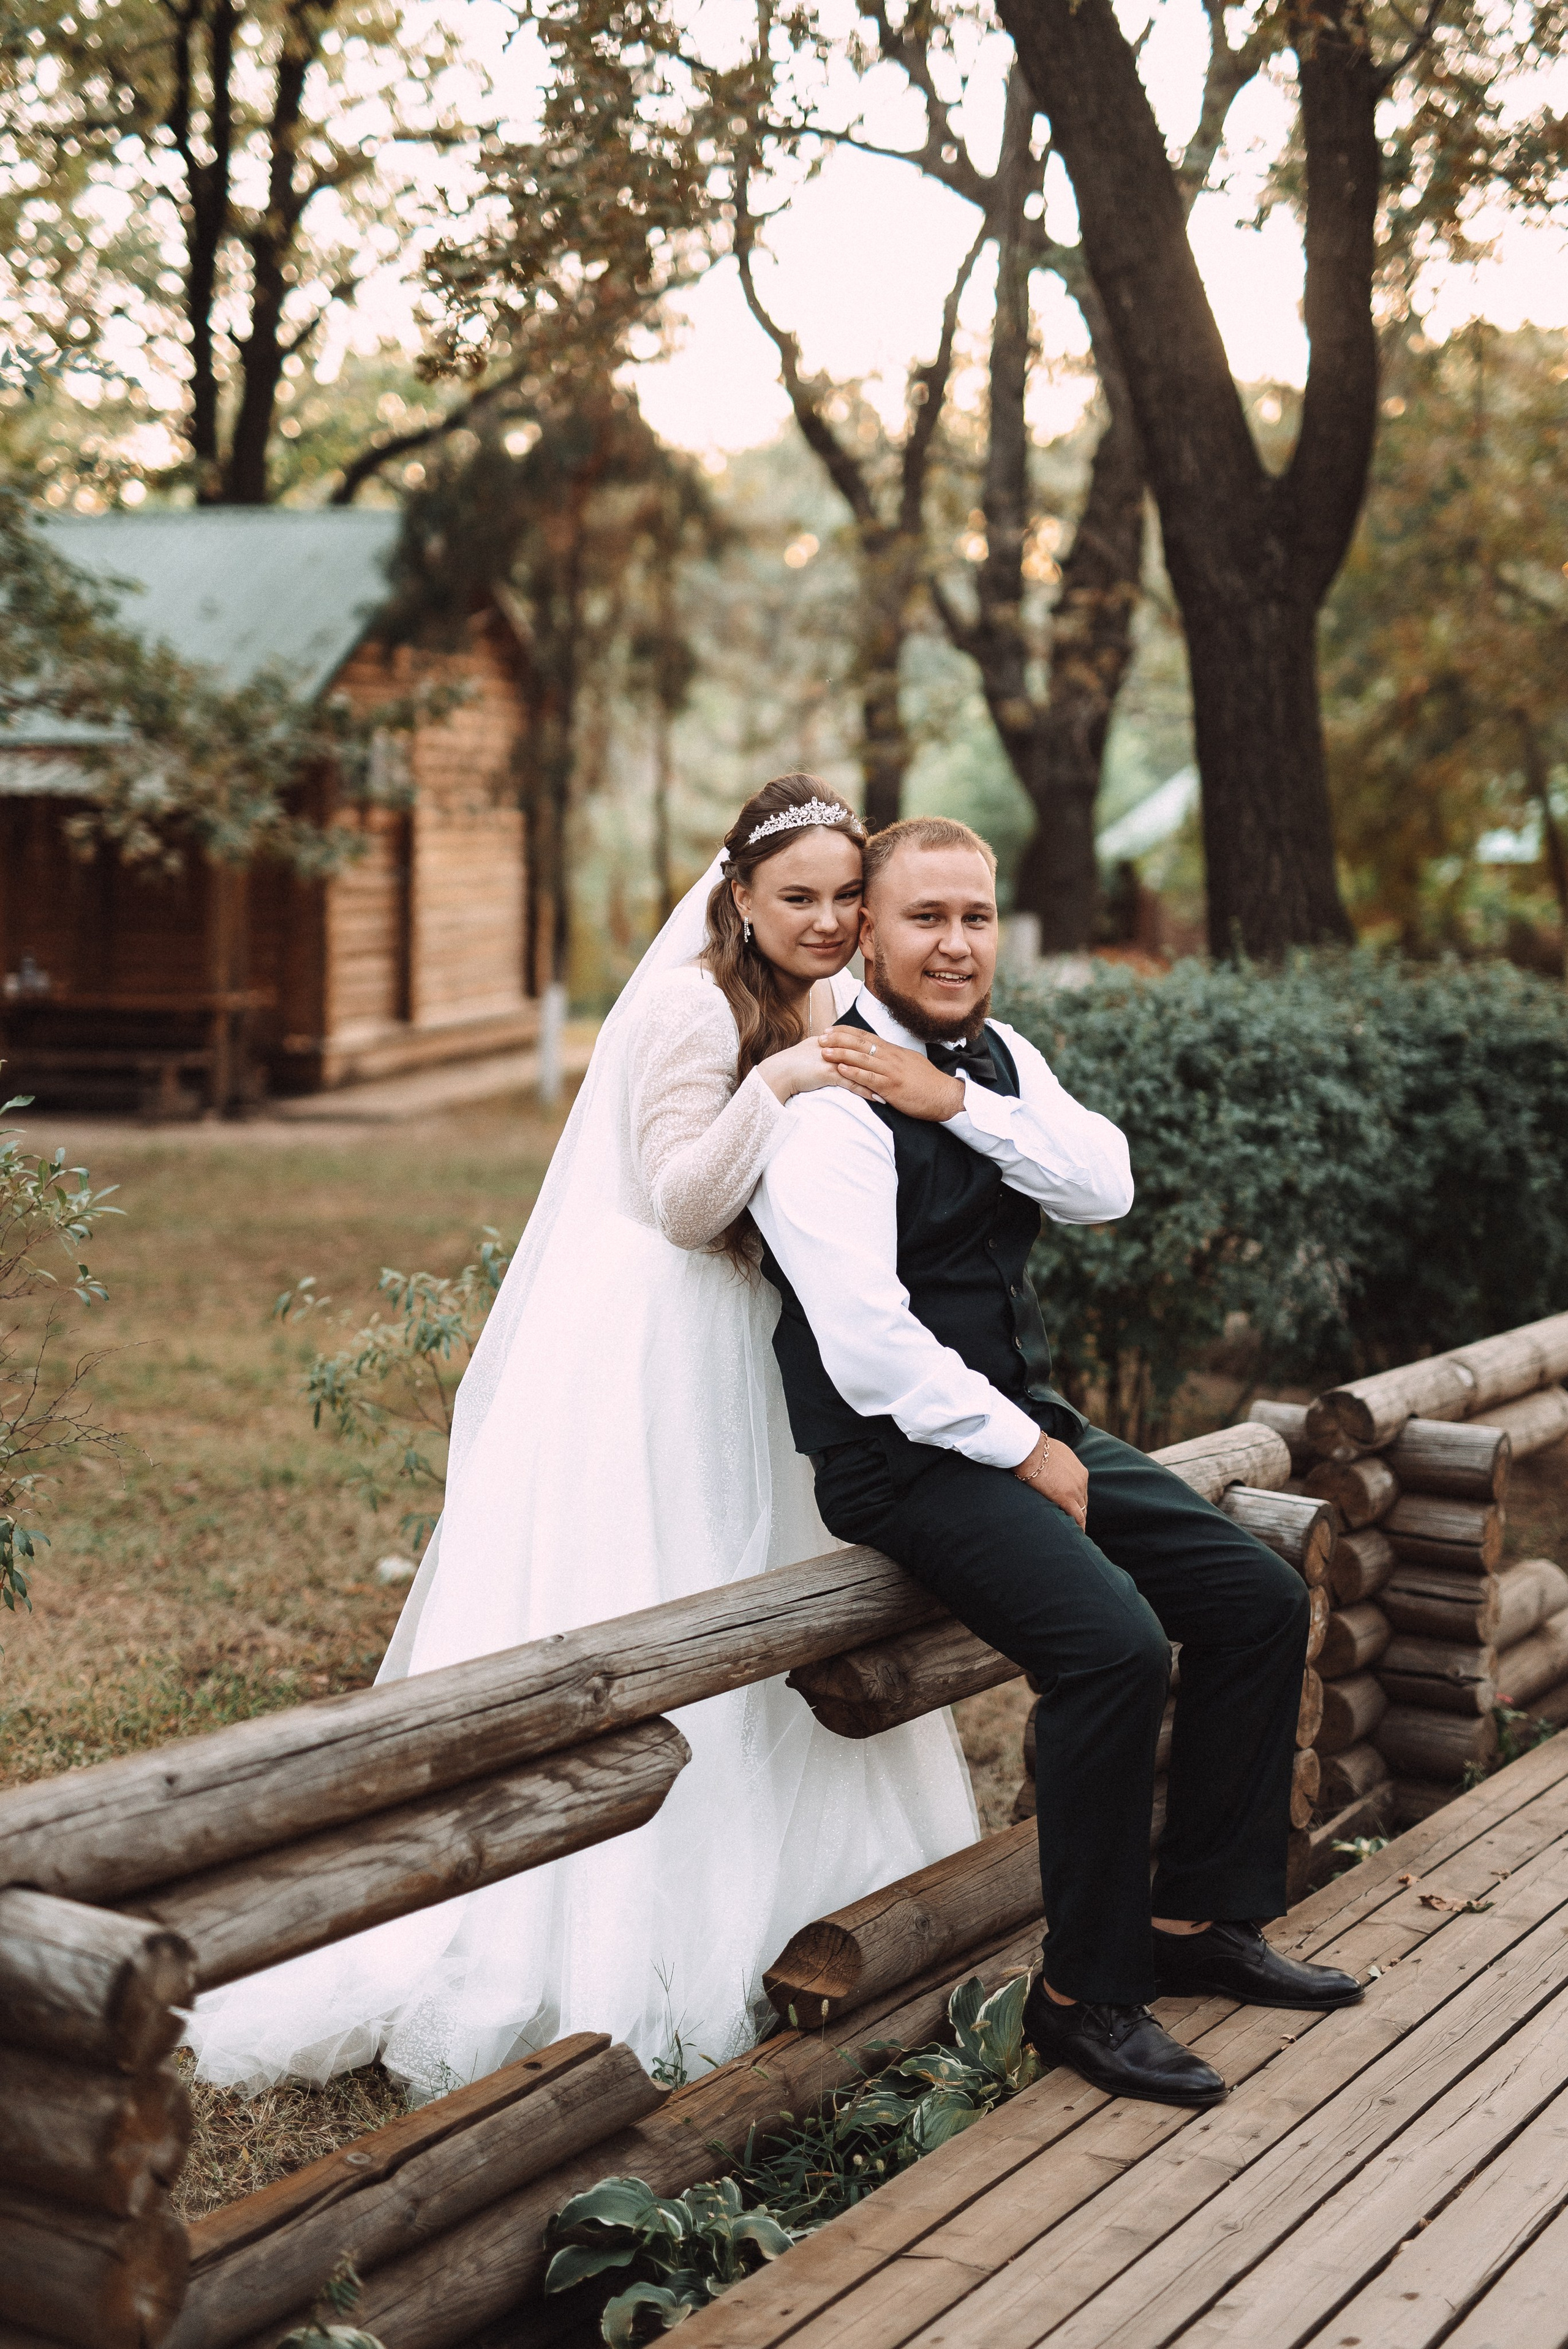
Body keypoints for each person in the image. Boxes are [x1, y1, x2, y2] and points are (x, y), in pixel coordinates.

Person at [185, 775, 977, 2101]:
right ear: (736, 896)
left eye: (848, 895)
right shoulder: (691, 1006)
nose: (831, 918)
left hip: (767, 1340)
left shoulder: (832, 999)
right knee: (665, 1605)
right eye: (800, 896)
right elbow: (677, 1201)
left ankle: (820, 1903)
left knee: (781, 1618)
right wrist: (781, 1079)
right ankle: (604, 1937)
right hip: (665, 1348)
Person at [750, 815, 1360, 2110]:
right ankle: (1083, 1994)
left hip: (1020, 1417)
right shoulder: (826, 1098)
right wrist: (1022, 1445)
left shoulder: (994, 1056)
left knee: (1254, 1599)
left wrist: (959, 1101)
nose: (955, 942)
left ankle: (1198, 1923)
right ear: (865, 929)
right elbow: (865, 1347)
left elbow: (1104, 1185)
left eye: (974, 917)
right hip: (898, 1457)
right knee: (1113, 1647)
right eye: (924, 918)